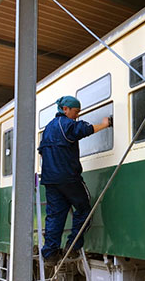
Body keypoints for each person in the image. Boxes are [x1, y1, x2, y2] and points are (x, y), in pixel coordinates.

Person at [38, 95, 112, 265]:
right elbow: (83, 130)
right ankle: (73, 246)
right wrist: (105, 124)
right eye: (76, 112)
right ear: (65, 109)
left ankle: (50, 254)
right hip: (68, 178)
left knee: (55, 216)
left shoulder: (48, 128)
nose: (77, 115)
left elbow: (42, 152)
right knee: (85, 209)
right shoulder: (65, 125)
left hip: (50, 181)